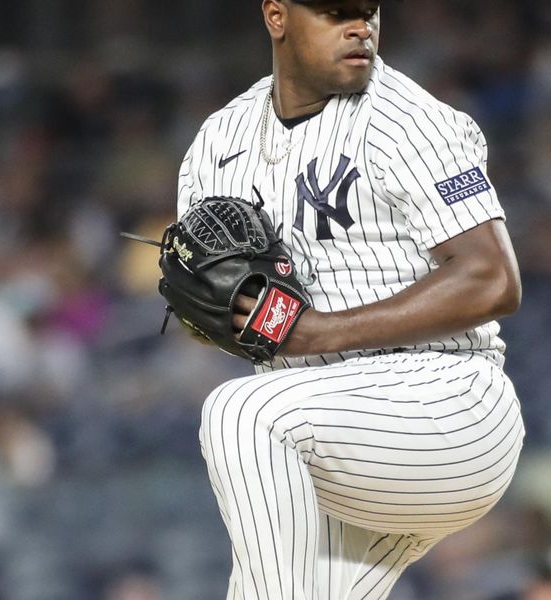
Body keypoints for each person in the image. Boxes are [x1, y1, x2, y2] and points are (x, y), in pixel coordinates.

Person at [176, 0, 525, 597]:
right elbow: (211, 305)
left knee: (242, 414)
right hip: (333, 436)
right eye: (337, 12)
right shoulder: (219, 142)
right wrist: (210, 313)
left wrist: (315, 331)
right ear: (277, 16)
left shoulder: (409, 120)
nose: (360, 27)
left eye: (368, 11)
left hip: (447, 403)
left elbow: (492, 279)